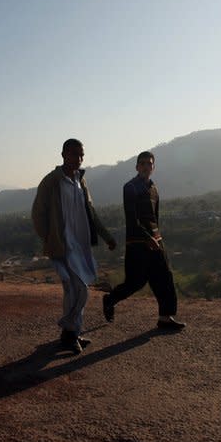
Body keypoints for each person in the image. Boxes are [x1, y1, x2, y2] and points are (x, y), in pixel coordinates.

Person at [32, 138, 117, 354]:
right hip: (62, 246)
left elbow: (91, 212)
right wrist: (49, 238)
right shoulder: (52, 181)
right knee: (76, 289)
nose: (78, 159)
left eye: (81, 155)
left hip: (80, 246)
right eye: (73, 154)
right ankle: (69, 332)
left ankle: (71, 332)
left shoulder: (81, 181)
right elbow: (37, 213)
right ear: (63, 155)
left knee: (79, 289)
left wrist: (106, 236)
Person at [102, 151, 186, 331]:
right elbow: (132, 219)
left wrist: (157, 238)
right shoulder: (130, 187)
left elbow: (154, 218)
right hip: (137, 243)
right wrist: (147, 238)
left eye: (149, 163)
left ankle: (165, 317)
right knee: (136, 282)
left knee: (165, 277)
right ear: (137, 167)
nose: (146, 167)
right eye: (143, 164)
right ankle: (110, 299)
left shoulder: (154, 188)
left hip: (156, 241)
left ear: (153, 167)